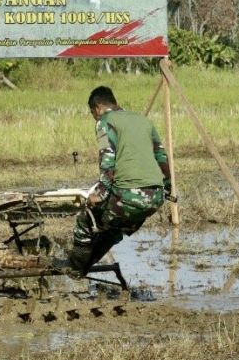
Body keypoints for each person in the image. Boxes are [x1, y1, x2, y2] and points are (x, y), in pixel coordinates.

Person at [68, 85, 173, 275]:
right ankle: (83, 267)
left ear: (97, 107)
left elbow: (107, 161)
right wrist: (167, 188)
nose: (95, 117)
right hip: (155, 198)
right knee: (113, 230)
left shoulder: (104, 121)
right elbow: (162, 157)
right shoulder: (143, 120)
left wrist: (98, 195)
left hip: (127, 197)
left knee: (86, 219)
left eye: (93, 113)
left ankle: (74, 267)